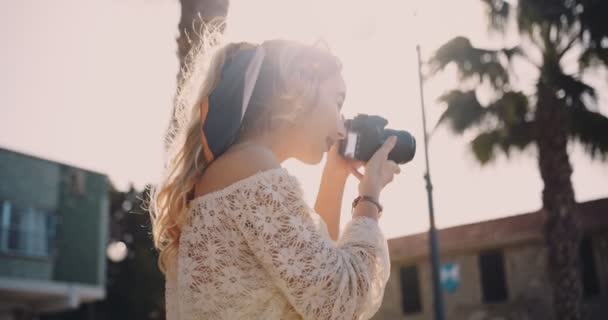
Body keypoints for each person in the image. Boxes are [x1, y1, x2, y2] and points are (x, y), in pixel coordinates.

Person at [150, 37, 402, 320]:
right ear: (298, 88)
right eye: (337, 101)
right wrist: (370, 196)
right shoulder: (251, 164)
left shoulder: (237, 169)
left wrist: (335, 176)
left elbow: (315, 272)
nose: (342, 129)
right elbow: (338, 299)